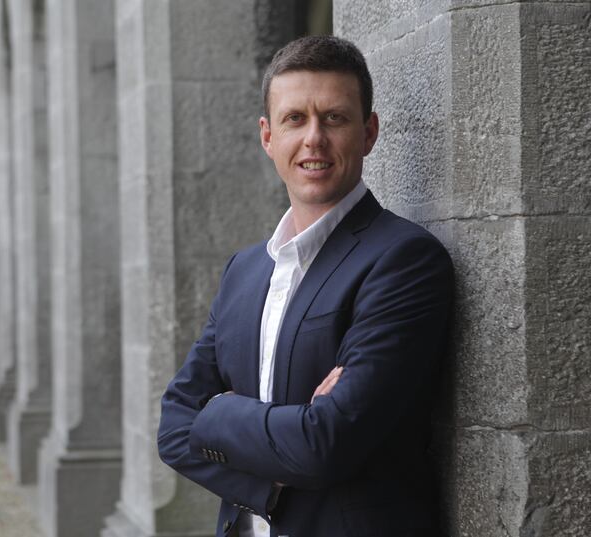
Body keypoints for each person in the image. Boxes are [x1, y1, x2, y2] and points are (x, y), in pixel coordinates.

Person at [157, 35, 454, 537]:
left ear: (369, 133)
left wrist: (218, 412)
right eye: (295, 118)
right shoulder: (244, 270)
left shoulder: (403, 259)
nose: (314, 138)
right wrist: (273, 479)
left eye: (334, 118)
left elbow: (325, 444)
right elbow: (172, 428)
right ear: (268, 137)